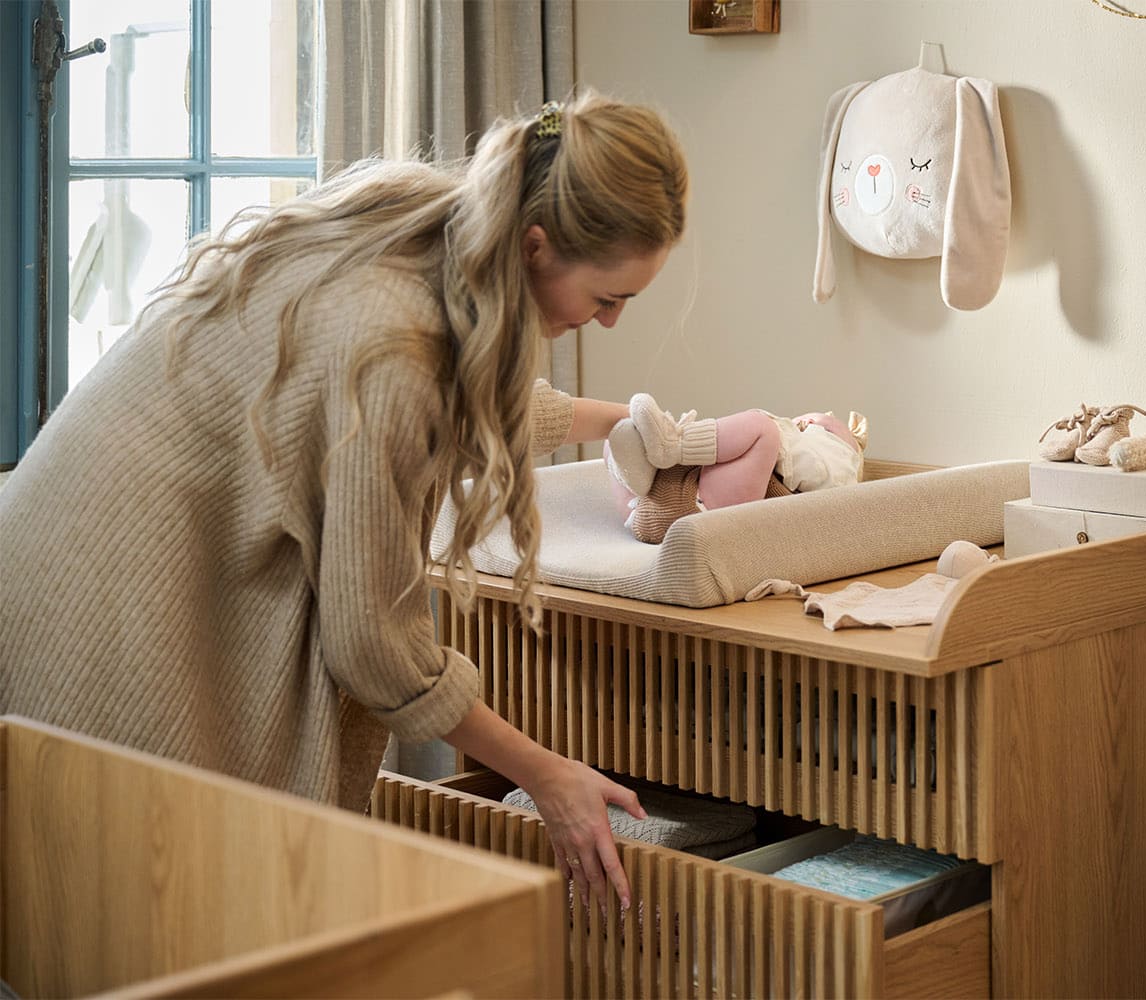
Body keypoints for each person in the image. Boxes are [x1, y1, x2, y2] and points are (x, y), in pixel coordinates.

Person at [0, 92, 687, 914]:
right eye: (609, 297)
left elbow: (461, 392)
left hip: (55, 544)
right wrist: (546, 773)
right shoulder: (387, 343)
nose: (608, 321)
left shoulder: (429, 226)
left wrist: (627, 425)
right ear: (538, 249)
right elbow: (375, 647)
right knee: (149, 914)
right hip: (100, 593)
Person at [602, 393, 868, 543]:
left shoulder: (838, 464)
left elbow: (830, 493)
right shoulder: (798, 451)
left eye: (819, 423)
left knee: (761, 427)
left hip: (704, 511)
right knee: (621, 433)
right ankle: (639, 470)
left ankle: (671, 444)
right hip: (655, 502)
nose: (805, 422)